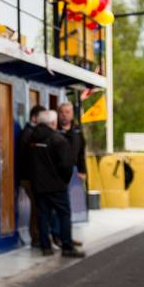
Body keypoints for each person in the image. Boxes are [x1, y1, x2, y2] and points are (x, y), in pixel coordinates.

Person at [28, 110, 84, 258]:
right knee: (64, 214)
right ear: (53, 123)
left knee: (42, 215)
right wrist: (64, 181)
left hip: (38, 185)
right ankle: (67, 246)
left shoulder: (31, 138)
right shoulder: (58, 139)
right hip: (56, 186)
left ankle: (45, 247)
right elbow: (66, 165)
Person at [56, 102, 88, 249]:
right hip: (57, 174)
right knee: (60, 207)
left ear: (72, 114)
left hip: (74, 173)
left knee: (70, 207)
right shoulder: (54, 130)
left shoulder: (77, 131)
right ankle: (58, 237)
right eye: (62, 112)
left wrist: (82, 170)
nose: (65, 115)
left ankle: (67, 236)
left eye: (67, 112)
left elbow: (82, 152)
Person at [15, 105, 45, 247]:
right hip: (29, 177)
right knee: (37, 206)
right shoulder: (28, 134)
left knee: (37, 206)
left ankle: (38, 235)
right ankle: (36, 237)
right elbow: (26, 158)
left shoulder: (31, 132)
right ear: (34, 117)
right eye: (42, 117)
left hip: (32, 177)